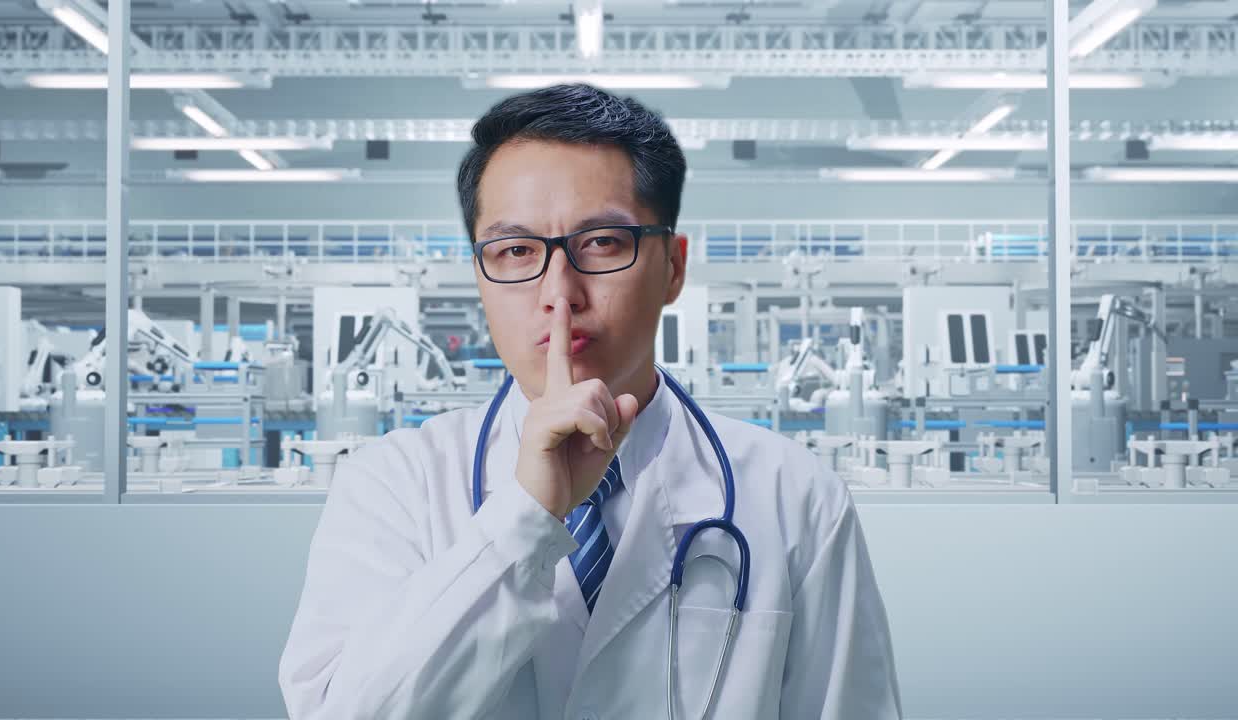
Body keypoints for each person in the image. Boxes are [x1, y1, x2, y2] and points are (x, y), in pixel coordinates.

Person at [279, 83, 902, 719]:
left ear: (673, 267)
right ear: (479, 275)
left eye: (602, 242)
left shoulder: (795, 496)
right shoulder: (393, 486)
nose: (559, 292)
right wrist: (523, 517)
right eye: (516, 250)